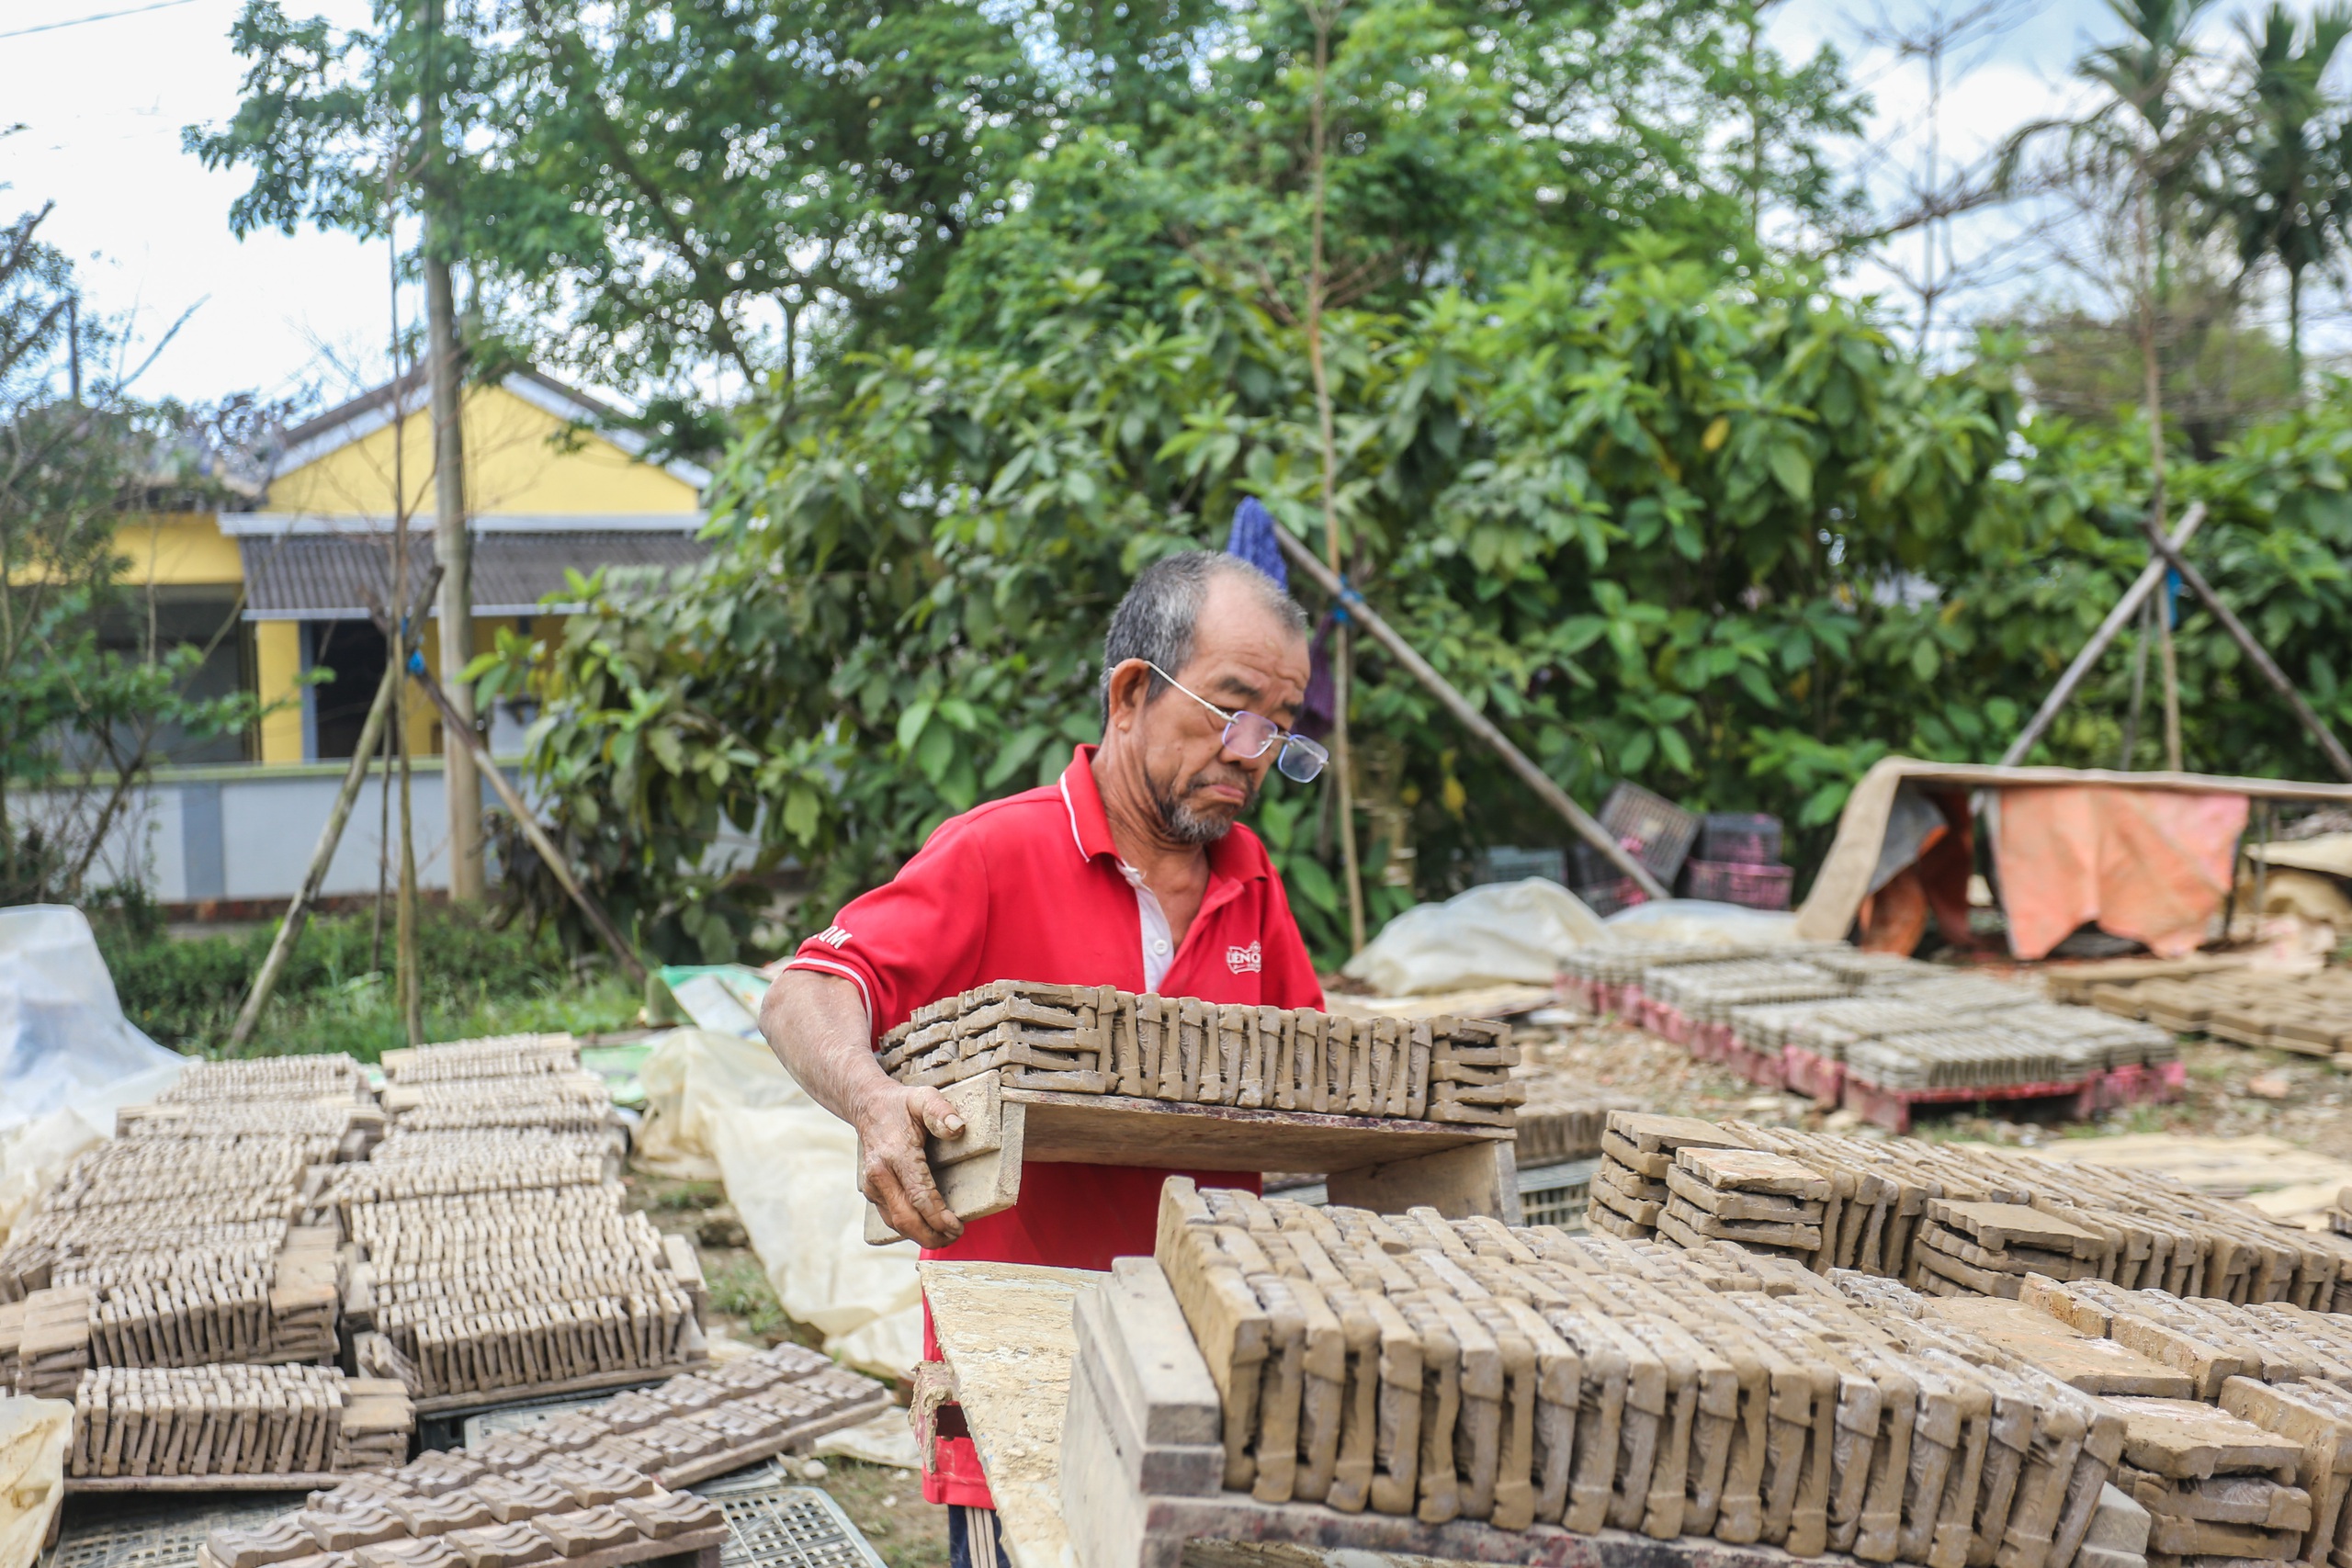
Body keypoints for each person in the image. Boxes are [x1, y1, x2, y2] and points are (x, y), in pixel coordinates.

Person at [760, 550, 1329, 1566]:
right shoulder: (995, 855)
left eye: (1280, 731)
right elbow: (806, 989)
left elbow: (1325, 1080)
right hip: (1018, 1386)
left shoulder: (1254, 889)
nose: (1254, 754)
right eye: (1233, 712)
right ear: (1129, 694)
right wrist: (872, 1099)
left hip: (1196, 1402)